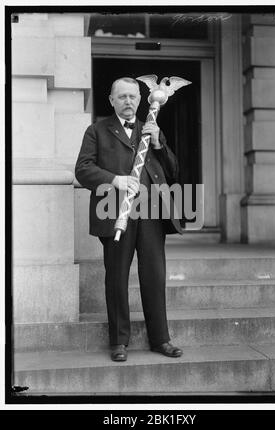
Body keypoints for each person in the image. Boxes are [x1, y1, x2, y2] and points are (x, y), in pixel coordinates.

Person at [75, 77, 183, 362]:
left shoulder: (151, 130)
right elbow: (83, 170)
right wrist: (116, 180)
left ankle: (160, 339)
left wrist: (159, 142)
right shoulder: (97, 131)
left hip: (150, 212)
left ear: (142, 99)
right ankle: (119, 341)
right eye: (121, 96)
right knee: (117, 277)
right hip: (114, 211)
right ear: (111, 100)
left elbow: (173, 170)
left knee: (154, 276)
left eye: (133, 96)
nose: (128, 101)